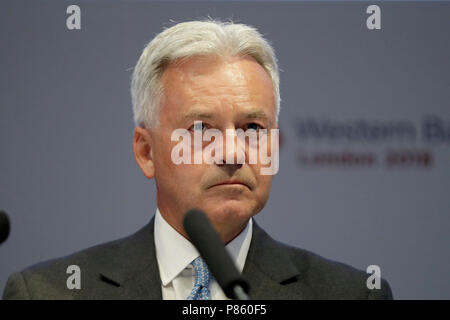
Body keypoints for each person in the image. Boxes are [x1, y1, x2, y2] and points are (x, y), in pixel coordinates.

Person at [3, 20, 393, 300]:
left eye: (253, 128)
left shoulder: (351, 294)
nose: (232, 152)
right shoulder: (48, 293)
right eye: (202, 129)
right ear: (146, 151)